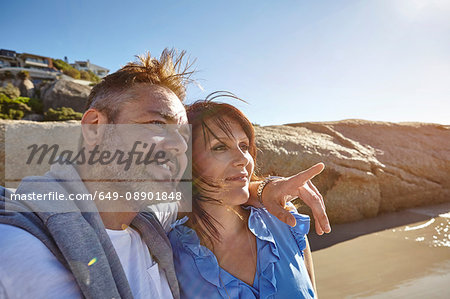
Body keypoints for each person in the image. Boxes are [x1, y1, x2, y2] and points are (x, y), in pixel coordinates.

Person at [0, 49, 329, 299]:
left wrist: (264, 188)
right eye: (157, 124)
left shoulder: (153, 225)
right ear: (95, 128)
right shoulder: (15, 248)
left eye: (183, 134)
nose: (176, 145)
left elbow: (212, 194)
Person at [168, 99, 317, 298]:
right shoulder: (169, 254)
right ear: (187, 161)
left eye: (244, 146)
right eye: (220, 147)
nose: (243, 159)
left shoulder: (284, 219)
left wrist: (264, 188)